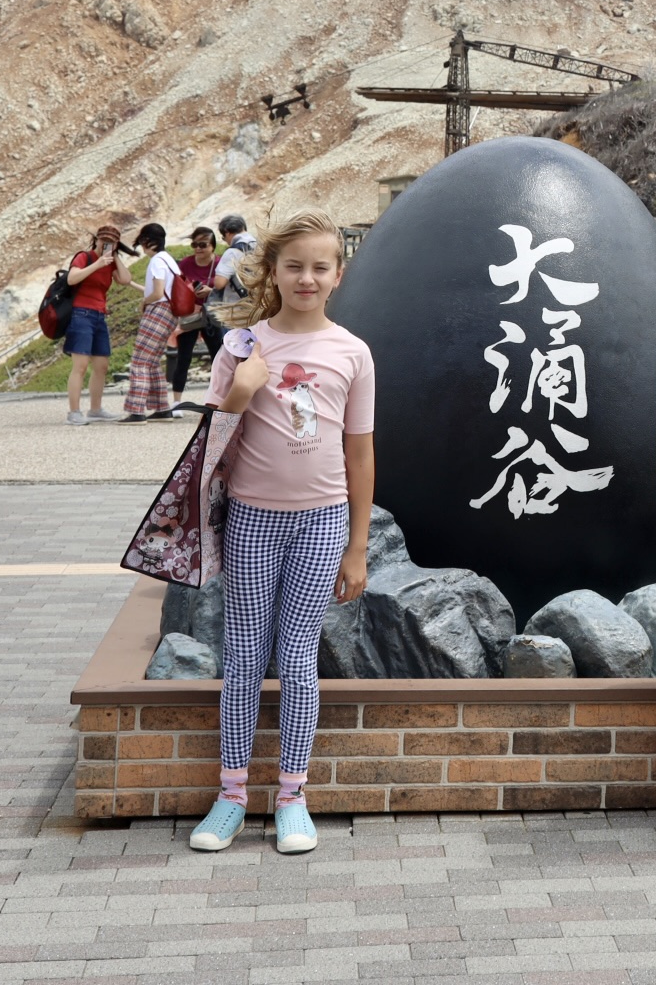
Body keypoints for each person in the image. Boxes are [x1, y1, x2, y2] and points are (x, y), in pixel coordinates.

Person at [189, 210, 375, 857]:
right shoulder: (243, 347)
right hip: (252, 519)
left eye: (320, 266)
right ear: (272, 271)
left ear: (337, 275)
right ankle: (232, 795)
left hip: (322, 522)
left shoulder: (353, 352)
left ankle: (292, 795)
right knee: (243, 658)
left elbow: (360, 453)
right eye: (294, 265)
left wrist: (358, 544)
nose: (307, 277)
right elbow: (207, 447)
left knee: (297, 659)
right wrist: (239, 393)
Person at [62, 226, 125, 425]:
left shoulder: (110, 262)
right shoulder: (85, 257)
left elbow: (125, 279)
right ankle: (74, 412)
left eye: (111, 242)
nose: (105, 244)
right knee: (80, 366)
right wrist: (97, 264)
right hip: (81, 313)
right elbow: (72, 278)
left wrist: (115, 257)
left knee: (101, 365)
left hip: (99, 315)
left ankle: (95, 409)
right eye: (103, 240)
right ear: (96, 240)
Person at [121, 223, 182, 422]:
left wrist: (144, 303)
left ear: (148, 242)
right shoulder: (169, 260)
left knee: (140, 360)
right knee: (152, 361)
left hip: (158, 311)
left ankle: (137, 410)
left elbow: (156, 293)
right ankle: (162, 408)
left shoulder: (157, 261)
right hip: (170, 313)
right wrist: (132, 285)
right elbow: (160, 290)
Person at [169, 226, 227, 398]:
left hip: (212, 315)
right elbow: (177, 285)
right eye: (194, 244)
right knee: (183, 358)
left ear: (212, 246)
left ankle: (218, 397)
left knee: (218, 358)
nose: (198, 249)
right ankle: (177, 401)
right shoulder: (186, 263)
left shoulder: (220, 263)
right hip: (191, 314)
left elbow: (229, 288)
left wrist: (212, 291)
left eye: (202, 244)